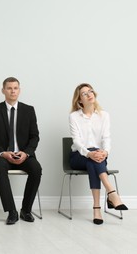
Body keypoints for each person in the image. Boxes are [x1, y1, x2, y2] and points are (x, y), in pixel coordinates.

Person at [0, 77, 42, 225]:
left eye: (15, 88)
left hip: (23, 155)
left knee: (36, 168)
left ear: (19, 90)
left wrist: (26, 153)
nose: (12, 91)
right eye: (9, 88)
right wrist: (3, 153)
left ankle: (26, 210)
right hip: (1, 156)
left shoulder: (29, 110)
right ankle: (11, 212)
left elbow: (34, 137)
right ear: (3, 90)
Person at [69, 83, 128, 225]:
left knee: (94, 161)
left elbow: (106, 138)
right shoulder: (74, 116)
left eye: (91, 91)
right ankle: (112, 193)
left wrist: (105, 152)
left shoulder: (104, 115)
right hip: (78, 156)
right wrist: (89, 154)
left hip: (97, 157)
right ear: (79, 100)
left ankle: (97, 209)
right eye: (84, 93)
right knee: (93, 158)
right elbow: (77, 142)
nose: (89, 94)